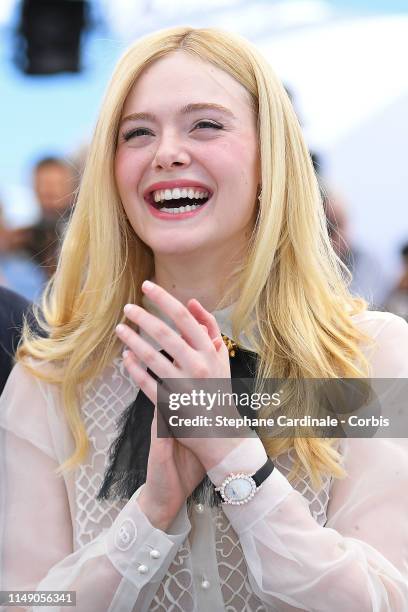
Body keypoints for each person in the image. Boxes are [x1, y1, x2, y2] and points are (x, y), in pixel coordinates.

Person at [0, 26, 407, 612]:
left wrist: (234, 456)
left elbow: (385, 600)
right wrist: (152, 511)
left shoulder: (372, 357)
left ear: (272, 157)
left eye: (206, 124)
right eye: (136, 133)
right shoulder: (51, 378)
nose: (167, 151)